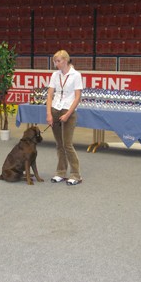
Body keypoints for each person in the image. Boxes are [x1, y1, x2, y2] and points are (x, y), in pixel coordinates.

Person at [46, 50, 83, 185]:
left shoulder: (76, 75)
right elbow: (50, 95)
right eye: (55, 62)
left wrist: (67, 114)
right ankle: (60, 172)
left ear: (66, 60)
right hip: (55, 108)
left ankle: (76, 174)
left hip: (69, 110)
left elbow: (78, 97)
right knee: (59, 144)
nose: (56, 64)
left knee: (67, 144)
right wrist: (49, 113)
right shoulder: (55, 75)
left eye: (58, 61)